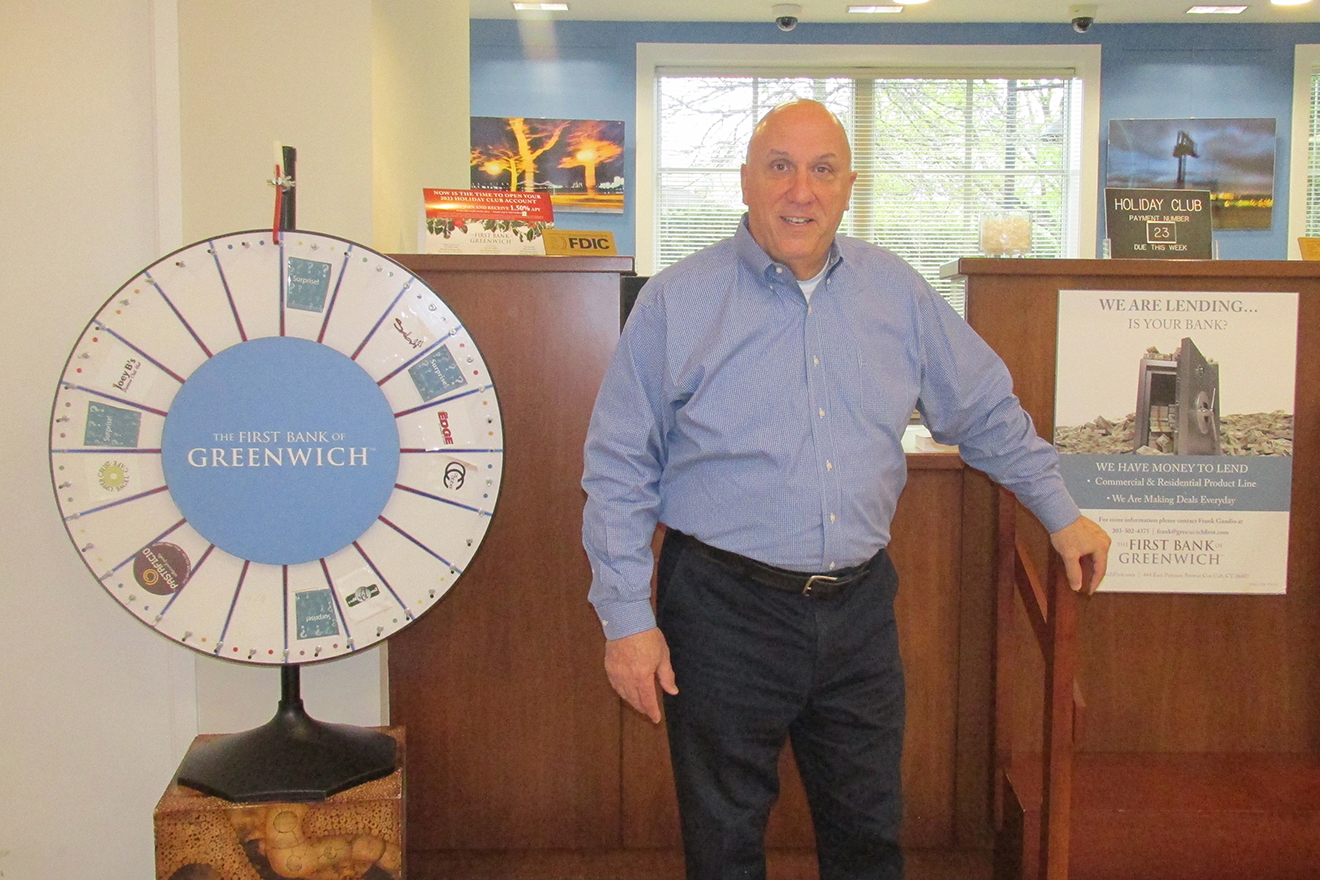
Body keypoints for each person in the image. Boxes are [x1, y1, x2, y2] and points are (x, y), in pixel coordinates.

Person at [581, 99, 1110, 880]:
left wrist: (1060, 513)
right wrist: (627, 618)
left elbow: (983, 410)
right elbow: (620, 464)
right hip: (724, 613)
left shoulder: (895, 290)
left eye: (823, 170)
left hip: (859, 612)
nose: (802, 190)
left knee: (868, 837)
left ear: (849, 187)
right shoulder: (678, 300)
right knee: (723, 846)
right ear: (746, 182)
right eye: (781, 167)